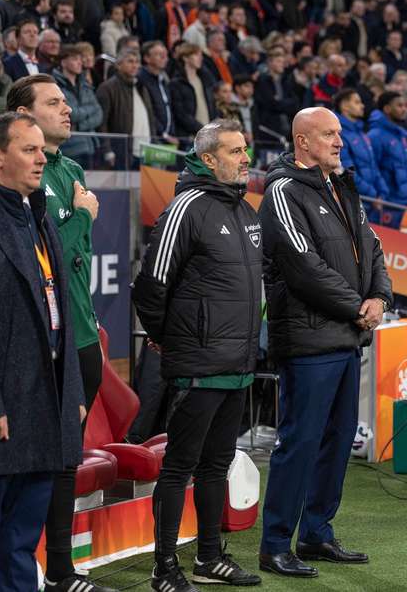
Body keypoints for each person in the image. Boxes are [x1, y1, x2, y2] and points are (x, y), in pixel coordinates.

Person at [0, 111, 85, 590]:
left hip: (45, 402)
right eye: (28, 150)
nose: (40, 159)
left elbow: (60, 317)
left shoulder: (39, 218)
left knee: (22, 538)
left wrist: (71, 391)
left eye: (41, 150)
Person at [258, 107, 392, 578]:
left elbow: (372, 246)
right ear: (302, 142)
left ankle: (316, 533)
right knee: (300, 442)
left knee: (336, 442)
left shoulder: (341, 186)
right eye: (329, 134)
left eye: (339, 133)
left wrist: (379, 296)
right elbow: (302, 265)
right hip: (310, 340)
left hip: (346, 336)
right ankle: (275, 543)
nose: (339, 141)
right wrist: (359, 306)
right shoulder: (282, 190)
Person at [133, 119, 263, 591]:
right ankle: (164, 567)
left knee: (216, 465)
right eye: (234, 151)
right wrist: (170, 337)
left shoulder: (247, 211)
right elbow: (151, 286)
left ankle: (209, 558)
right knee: (179, 467)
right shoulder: (185, 206)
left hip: (238, 365)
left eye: (245, 149)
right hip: (198, 363)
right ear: (208, 158)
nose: (245, 158)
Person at [7, 75, 109, 591]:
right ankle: (51, 570)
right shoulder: (25, 181)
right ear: (23, 117)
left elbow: (76, 261)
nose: (67, 110)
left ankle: (60, 570)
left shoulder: (70, 168)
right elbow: (44, 258)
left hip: (83, 335)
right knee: (46, 455)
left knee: (67, 454)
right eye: (53, 103)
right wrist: (85, 217)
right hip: (48, 341)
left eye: (66, 101)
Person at [96, 48, 156, 168]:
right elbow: (102, 124)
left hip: (146, 152)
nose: (135, 65)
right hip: (122, 153)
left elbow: (150, 119)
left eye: (137, 62)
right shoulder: (107, 88)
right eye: (130, 61)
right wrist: (107, 150)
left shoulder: (141, 87)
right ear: (118, 65)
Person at [334, 88, 388, 220]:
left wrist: (382, 191)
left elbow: (373, 166)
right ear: (345, 106)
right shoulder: (339, 134)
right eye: (357, 102)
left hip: (373, 202)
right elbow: (347, 171)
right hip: (356, 203)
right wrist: (373, 194)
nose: (362, 105)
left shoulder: (362, 133)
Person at [368, 90, 407, 227]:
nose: (404, 109)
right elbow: (372, 169)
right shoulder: (375, 136)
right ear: (387, 109)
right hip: (387, 203)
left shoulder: (401, 135)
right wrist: (380, 195)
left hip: (405, 202)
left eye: (405, 105)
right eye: (399, 106)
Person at [53, 45, 103, 168]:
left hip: (92, 145)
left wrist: (79, 125)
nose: (80, 62)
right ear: (64, 62)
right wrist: (89, 111)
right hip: (70, 148)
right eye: (75, 59)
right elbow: (72, 114)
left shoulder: (85, 84)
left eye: (80, 59)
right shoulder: (55, 85)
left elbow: (99, 113)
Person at [169, 42, 217, 141]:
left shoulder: (205, 80)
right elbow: (180, 113)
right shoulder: (176, 83)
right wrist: (200, 128)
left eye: (200, 55)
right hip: (189, 137)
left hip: (207, 136)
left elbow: (212, 107)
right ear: (185, 58)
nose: (200, 58)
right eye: (196, 55)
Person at [138, 40, 177, 145]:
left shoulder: (163, 79)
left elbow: (168, 109)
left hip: (168, 138)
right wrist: (163, 134)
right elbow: (148, 112)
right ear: (147, 58)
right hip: (153, 138)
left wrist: (171, 133)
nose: (164, 58)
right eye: (159, 55)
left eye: (165, 55)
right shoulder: (141, 79)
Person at [254, 46, 297, 140]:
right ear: (270, 63)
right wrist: (284, 103)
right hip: (270, 129)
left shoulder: (286, 81)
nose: (282, 65)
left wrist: (280, 102)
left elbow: (294, 103)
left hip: (287, 127)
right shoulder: (262, 81)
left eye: (283, 62)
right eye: (278, 61)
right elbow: (270, 104)